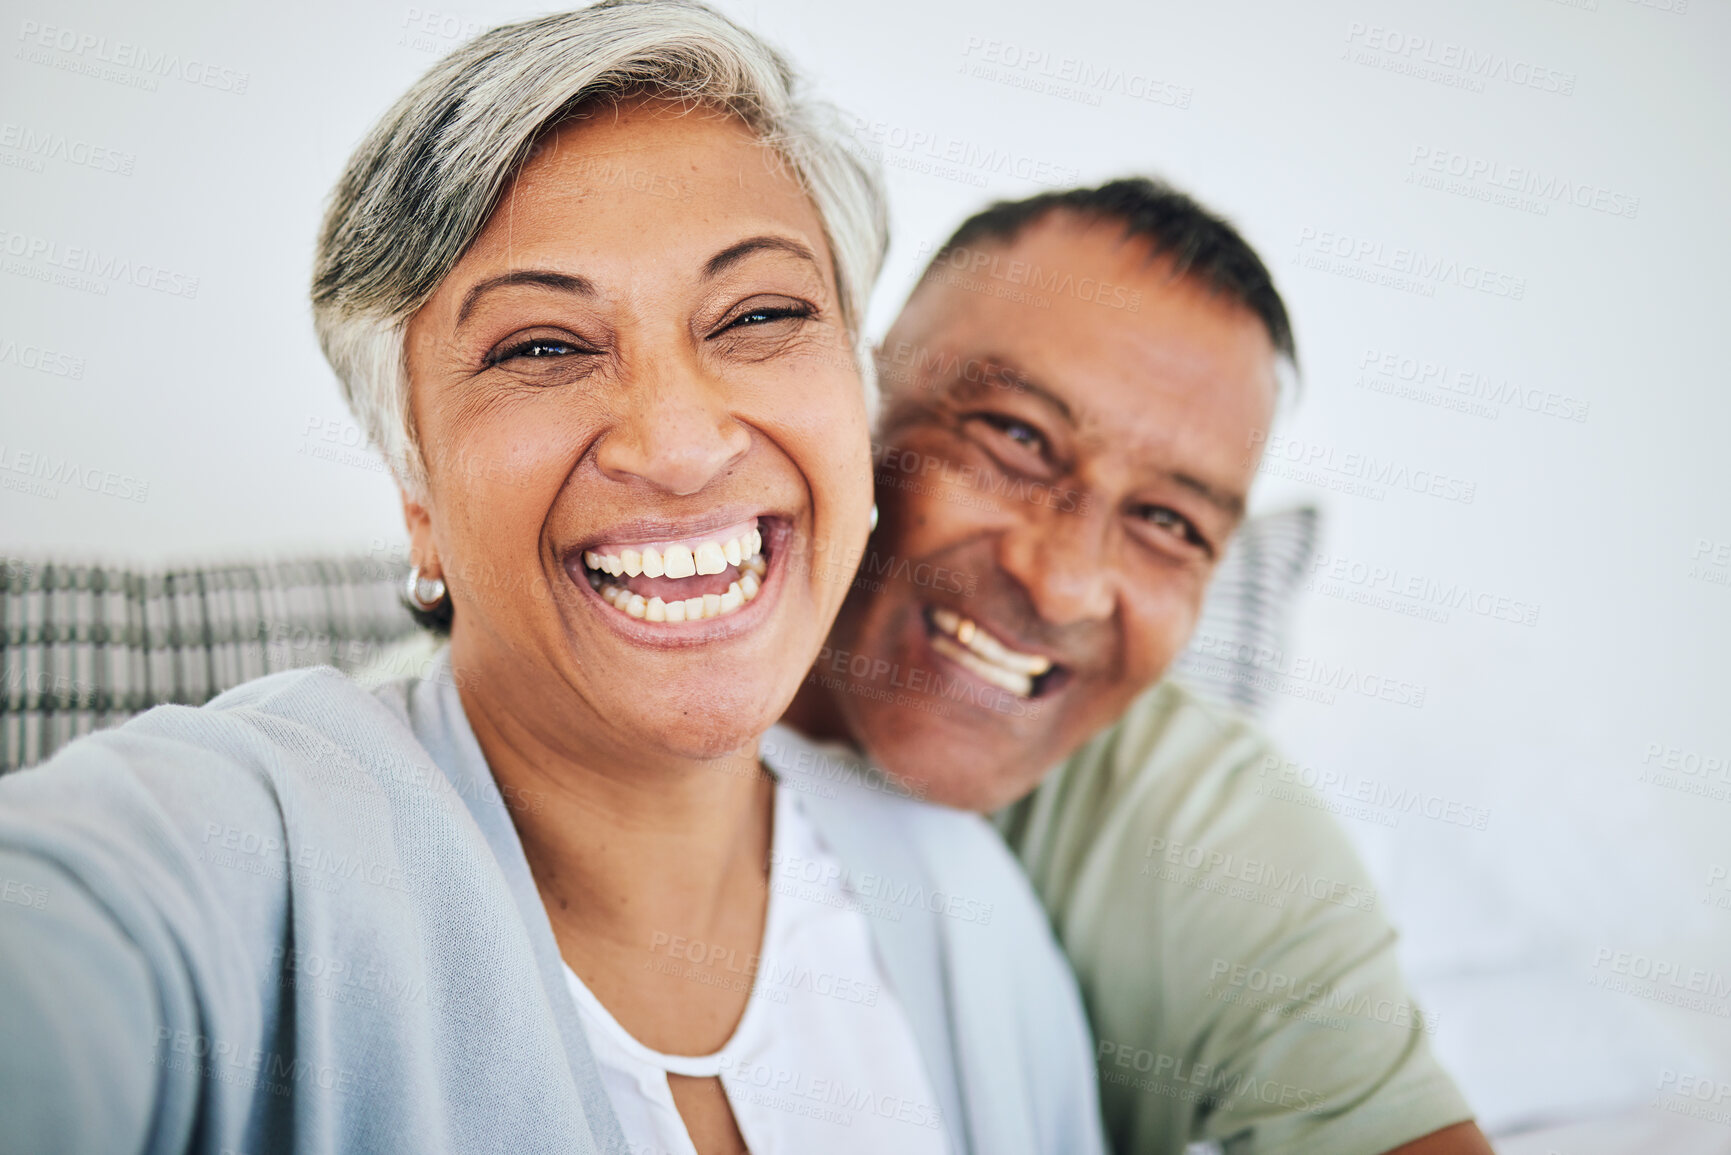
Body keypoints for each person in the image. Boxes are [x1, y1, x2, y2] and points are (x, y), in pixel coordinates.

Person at [0, 5, 1105, 1154]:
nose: (678, 445)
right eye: (542, 347)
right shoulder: (239, 847)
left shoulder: (962, 910)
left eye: (764, 315)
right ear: (416, 496)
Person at [783, 179, 1497, 1155]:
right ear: (856, 401)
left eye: (1168, 523)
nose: (1066, 584)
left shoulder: (1212, 830)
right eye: (1017, 437)